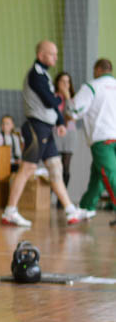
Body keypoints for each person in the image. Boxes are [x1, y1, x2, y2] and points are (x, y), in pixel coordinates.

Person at [1, 41, 88, 227]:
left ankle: (70, 211)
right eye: (52, 54)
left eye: (56, 54)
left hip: (47, 129)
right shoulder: (35, 75)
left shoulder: (45, 76)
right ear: (41, 55)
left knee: (56, 169)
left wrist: (60, 122)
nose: (55, 58)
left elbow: (52, 105)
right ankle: (10, 211)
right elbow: (50, 101)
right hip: (36, 127)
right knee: (28, 169)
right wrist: (63, 94)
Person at [68, 58, 116, 217]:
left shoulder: (91, 87)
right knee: (98, 174)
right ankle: (86, 207)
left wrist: (65, 93)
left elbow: (74, 111)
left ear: (97, 70)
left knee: (109, 175)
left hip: (103, 138)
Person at [52, 72, 76, 192]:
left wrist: (67, 99)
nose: (65, 84)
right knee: (54, 166)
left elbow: (72, 116)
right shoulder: (53, 97)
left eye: (68, 82)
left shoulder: (73, 99)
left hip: (70, 133)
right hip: (55, 132)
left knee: (66, 167)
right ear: (57, 83)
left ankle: (62, 199)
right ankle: (50, 194)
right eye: (62, 81)